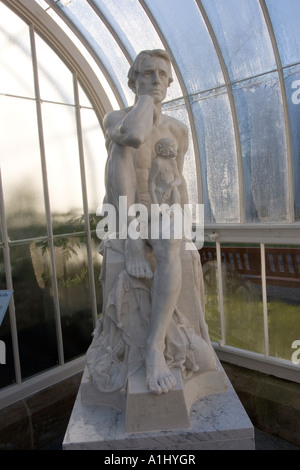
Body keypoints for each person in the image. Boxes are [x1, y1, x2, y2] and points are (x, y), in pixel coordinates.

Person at [103, 49, 189, 395]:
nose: (156, 81)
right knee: (120, 148)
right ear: (133, 80)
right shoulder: (116, 118)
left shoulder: (178, 131)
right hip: (124, 214)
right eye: (148, 73)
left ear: (170, 84)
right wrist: (144, 103)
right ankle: (132, 239)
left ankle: (154, 347)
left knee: (170, 241)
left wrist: (179, 221)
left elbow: (176, 180)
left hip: (159, 212)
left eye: (162, 76)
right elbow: (135, 135)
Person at [148, 137, 182, 207]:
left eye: (173, 147)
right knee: (163, 216)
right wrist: (155, 203)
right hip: (160, 194)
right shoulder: (157, 163)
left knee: (175, 192)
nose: (173, 150)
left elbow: (178, 179)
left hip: (172, 192)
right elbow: (151, 182)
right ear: (160, 148)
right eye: (171, 147)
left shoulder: (172, 162)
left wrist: (170, 187)